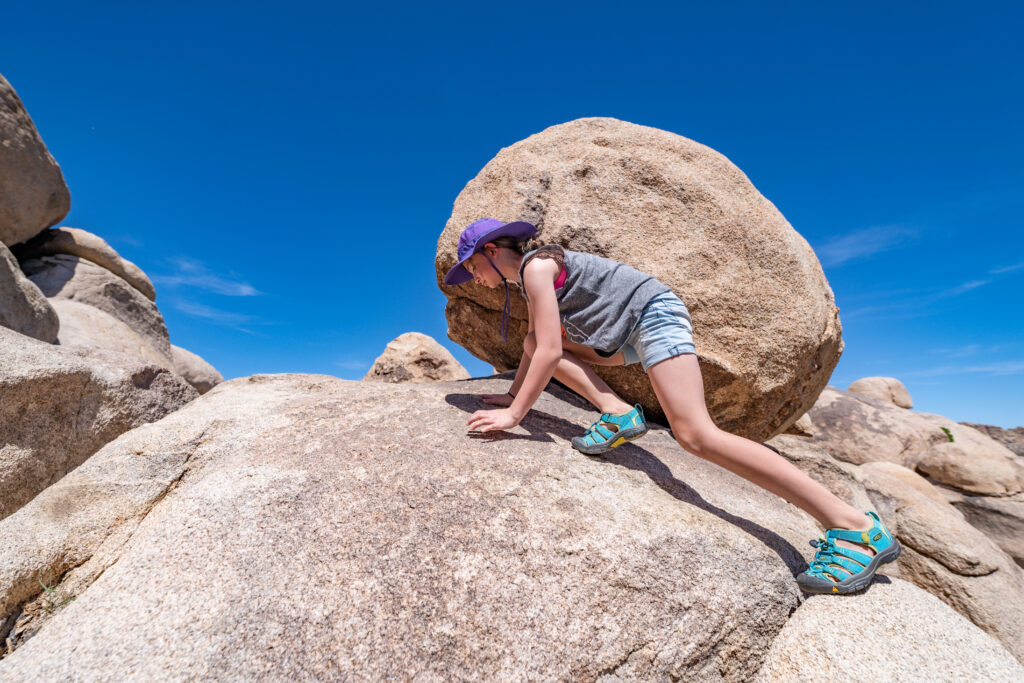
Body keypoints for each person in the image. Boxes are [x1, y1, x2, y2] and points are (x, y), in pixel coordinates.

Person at [444, 217, 901, 594]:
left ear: (489, 250)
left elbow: (547, 351)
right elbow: (539, 345)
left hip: (652, 318)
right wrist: (510, 393)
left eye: (471, 268)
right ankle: (618, 411)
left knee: (697, 436)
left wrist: (515, 414)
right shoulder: (536, 272)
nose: (476, 281)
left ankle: (855, 528)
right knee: (531, 337)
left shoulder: (535, 267)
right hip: (625, 333)